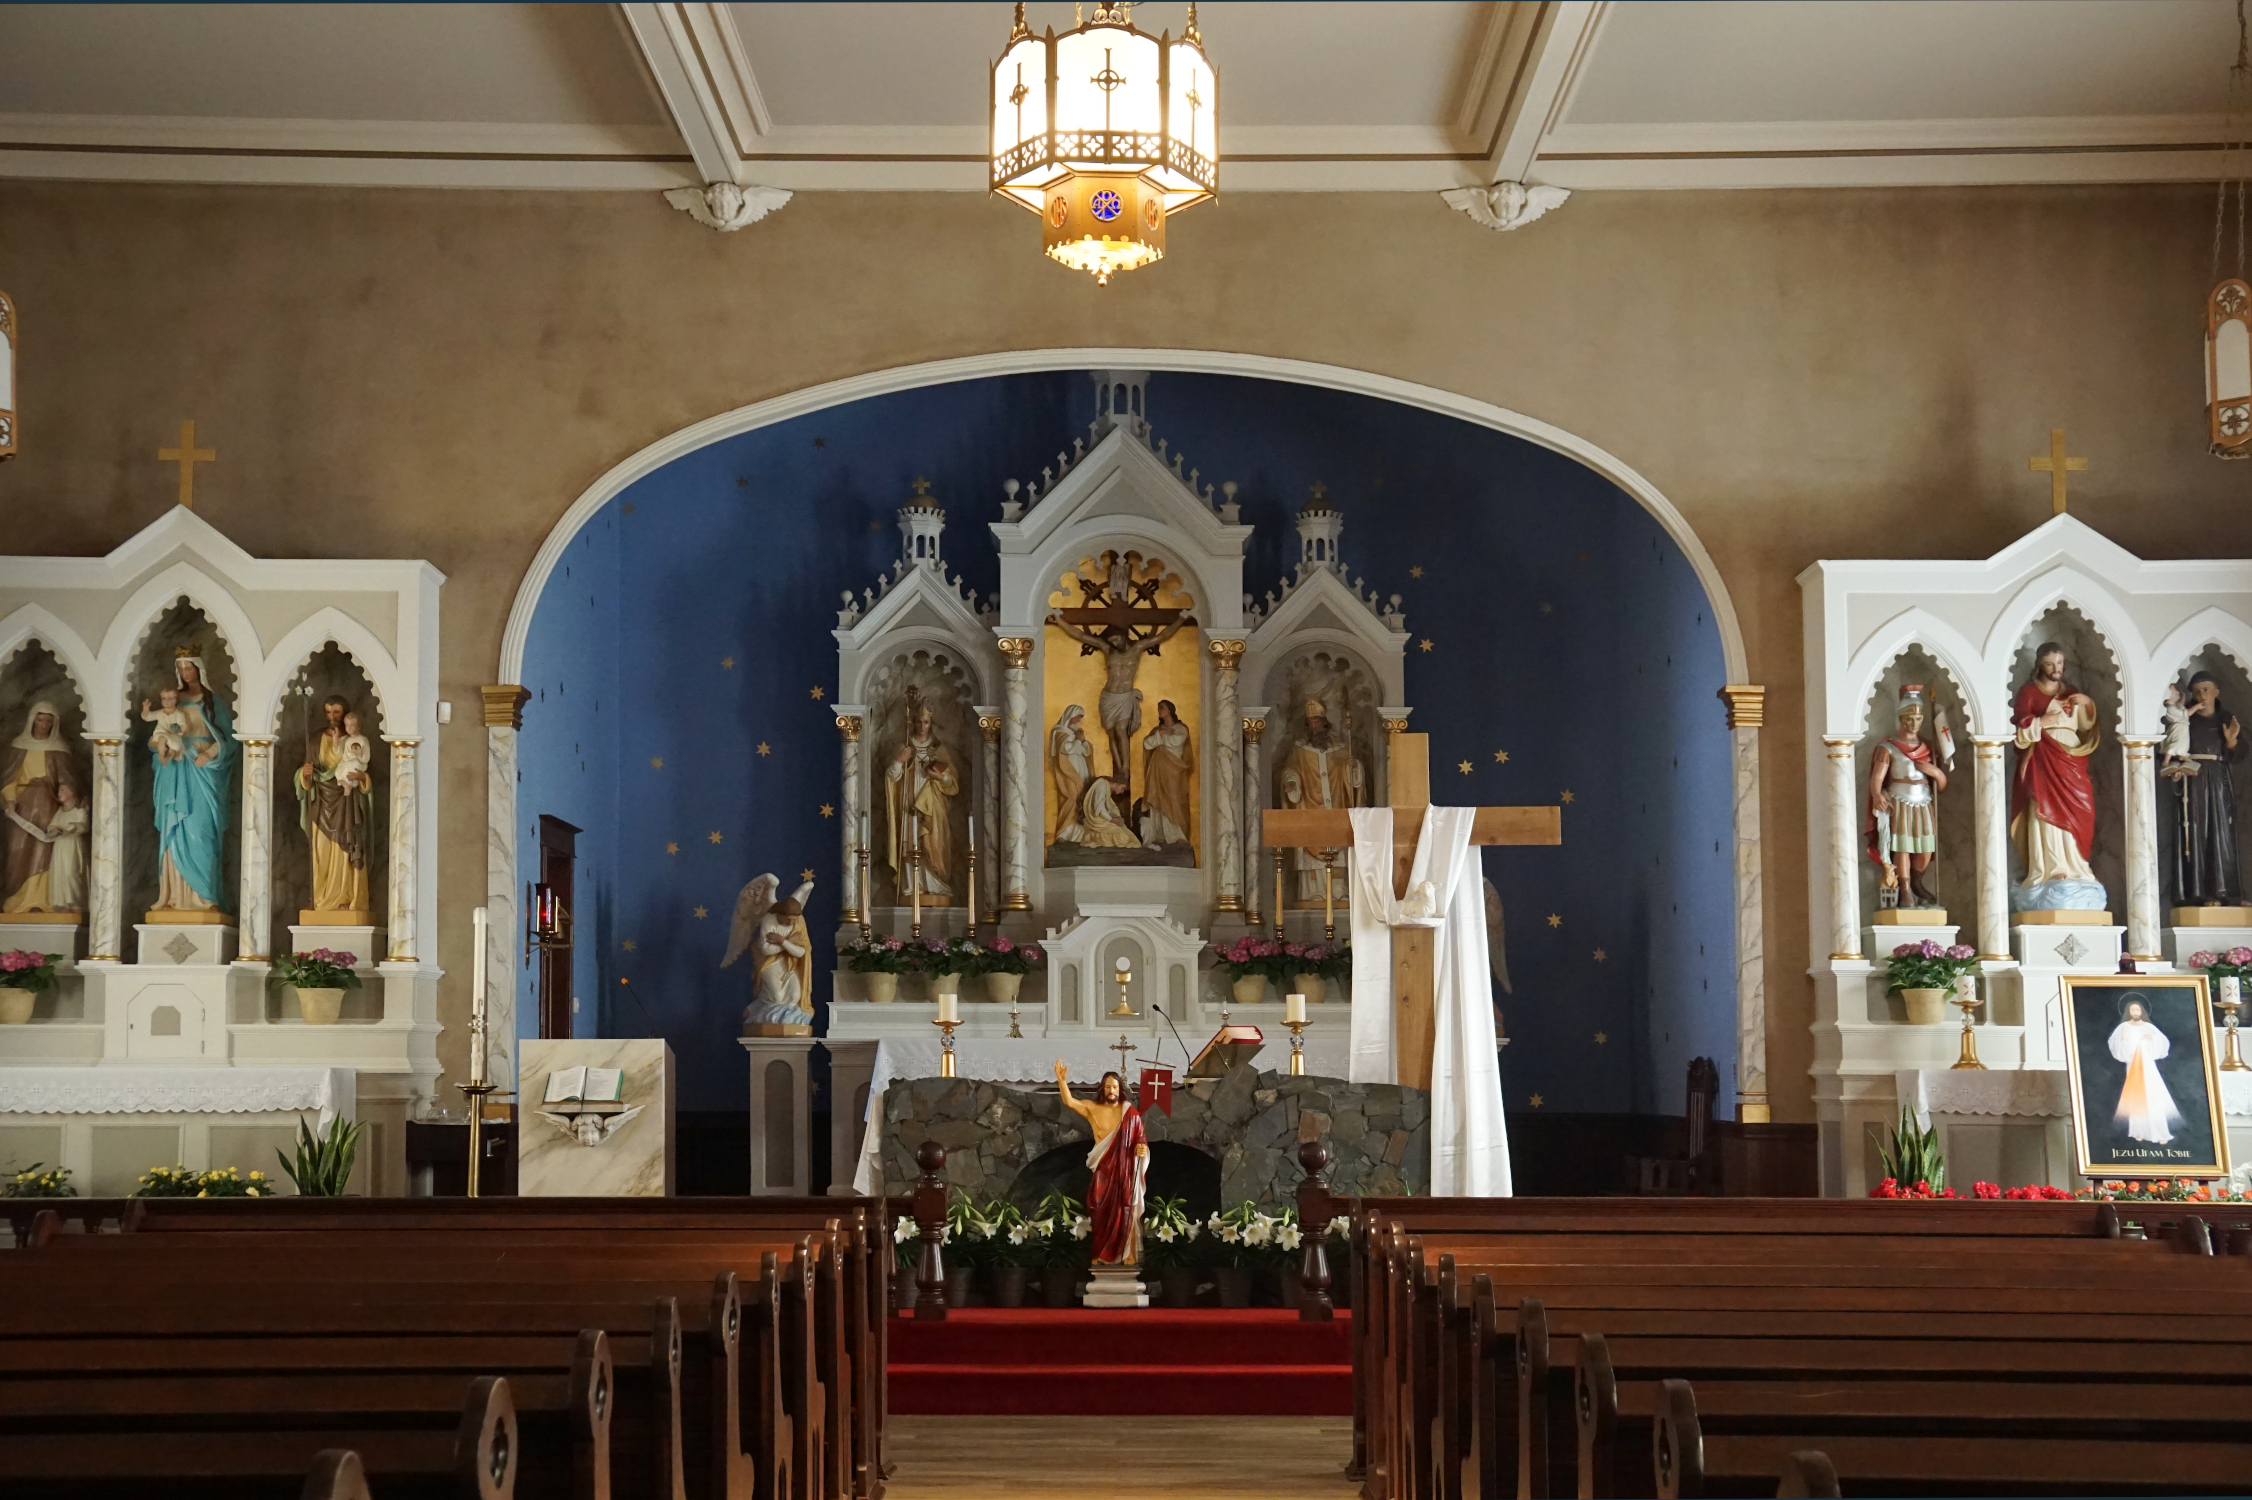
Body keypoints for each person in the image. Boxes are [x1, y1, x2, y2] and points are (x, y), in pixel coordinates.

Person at [2010, 642, 2102, 908]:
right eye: (2050, 664)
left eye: (2060, 663)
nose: (2056, 669)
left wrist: (2088, 705)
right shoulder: (2028, 692)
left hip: (2072, 759)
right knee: (2045, 812)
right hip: (2042, 759)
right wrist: (2041, 723)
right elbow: (2018, 732)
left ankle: (2076, 866)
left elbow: (2086, 725)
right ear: (2040, 664)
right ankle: (2050, 869)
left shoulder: (2071, 693)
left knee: (2081, 810)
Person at [152, 650, 235, 914]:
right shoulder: (172, 703)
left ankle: (205, 897)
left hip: (203, 771)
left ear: (199, 669)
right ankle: (174, 897)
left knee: (201, 832)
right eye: (182, 669)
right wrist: (161, 746)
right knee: (173, 827)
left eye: (190, 668)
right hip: (175, 768)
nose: (186, 674)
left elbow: (230, 740)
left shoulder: (213, 702)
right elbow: (158, 733)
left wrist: (210, 753)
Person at [2162, 672, 2245, 907]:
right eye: (2197, 691)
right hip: (2194, 779)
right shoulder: (2185, 720)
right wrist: (2176, 769)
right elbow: (2171, 745)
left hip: (2219, 779)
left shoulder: (2226, 718)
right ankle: (2198, 894)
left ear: (2217, 691)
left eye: (2207, 689)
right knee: (2196, 835)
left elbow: (2240, 753)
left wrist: (2231, 742)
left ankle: (2227, 893)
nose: (2202, 695)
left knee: (2223, 835)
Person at [1053, 1062, 1148, 1265]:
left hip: (1124, 1171)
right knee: (1098, 1208)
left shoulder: (1130, 1114)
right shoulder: (1092, 1108)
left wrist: (1142, 1149)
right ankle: (1101, 1253)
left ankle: (1128, 1253)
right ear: (1102, 1089)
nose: (1111, 1090)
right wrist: (1062, 1081)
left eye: (1114, 1087)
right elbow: (1069, 1102)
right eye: (1107, 1086)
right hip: (1103, 1170)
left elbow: (1141, 1139)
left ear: (1120, 1089)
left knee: (1125, 1209)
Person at [1866, 684, 1948, 907]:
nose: (1914, 724)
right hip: (1900, 799)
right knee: (1903, 846)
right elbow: (1877, 777)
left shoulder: (1928, 747)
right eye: (1910, 718)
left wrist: (1935, 772)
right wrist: (1876, 794)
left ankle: (1917, 882)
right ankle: (1905, 890)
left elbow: (1941, 785)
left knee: (1925, 848)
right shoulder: (1888, 747)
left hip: (1923, 800)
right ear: (1901, 718)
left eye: (1919, 719)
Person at [0, 701, 83, 914]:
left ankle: (42, 900)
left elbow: (68, 780)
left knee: (44, 851)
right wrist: (10, 799)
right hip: (22, 806)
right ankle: (17, 900)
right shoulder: (19, 745)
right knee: (16, 851)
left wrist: (67, 796)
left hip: (48, 805)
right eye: (40, 719)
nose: (43, 724)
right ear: (32, 719)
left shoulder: (59, 749)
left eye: (48, 720)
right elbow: (9, 779)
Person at [1279, 697, 1364, 902]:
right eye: (1311, 722)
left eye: (1317, 721)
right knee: (1310, 853)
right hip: (1309, 809)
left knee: (1339, 852)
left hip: (1336, 809)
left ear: (1325, 722)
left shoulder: (1342, 748)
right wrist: (1292, 782)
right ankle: (1313, 893)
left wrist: (1352, 769)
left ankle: (1340, 892)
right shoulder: (1299, 750)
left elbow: (1353, 778)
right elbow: (1290, 771)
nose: (1314, 725)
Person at [294, 694, 371, 915]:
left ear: (345, 713)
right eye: (328, 712)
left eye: (336, 712)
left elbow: (365, 770)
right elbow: (305, 775)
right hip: (321, 806)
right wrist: (304, 774)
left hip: (347, 803)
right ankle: (321, 900)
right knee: (322, 853)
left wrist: (363, 779)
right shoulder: (316, 740)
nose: (332, 717)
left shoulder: (355, 740)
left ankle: (346, 899)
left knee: (346, 851)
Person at [886, 693, 958, 900]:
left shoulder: (938, 749)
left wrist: (940, 776)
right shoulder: (904, 747)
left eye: (926, 721)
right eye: (918, 721)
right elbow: (892, 777)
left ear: (931, 723)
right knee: (910, 842)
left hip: (933, 804)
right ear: (913, 722)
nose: (921, 725)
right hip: (910, 802)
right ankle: (912, 884)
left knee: (932, 841)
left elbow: (952, 782)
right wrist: (899, 761)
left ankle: (935, 883)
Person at [2108, 997, 2183, 1145]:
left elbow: (2162, 1042)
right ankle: (2138, 1131)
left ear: (2141, 1011)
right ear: (2128, 1012)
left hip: (2148, 1067)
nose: (2135, 1012)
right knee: (2136, 1097)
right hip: (2133, 1066)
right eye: (2132, 1010)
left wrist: (2152, 1037)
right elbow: (2114, 1044)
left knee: (2153, 1095)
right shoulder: (2123, 1027)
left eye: (2137, 1009)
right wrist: (2122, 1040)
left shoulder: (2148, 1027)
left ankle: (2160, 1133)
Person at [1140, 699, 1194, 848]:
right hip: (1158, 769)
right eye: (1158, 708)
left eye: (1162, 708)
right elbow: (1147, 743)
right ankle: (1160, 833)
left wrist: (1161, 738)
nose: (1159, 711)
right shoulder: (1158, 730)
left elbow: (1177, 741)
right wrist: (1163, 733)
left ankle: (1177, 834)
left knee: (1173, 798)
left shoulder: (1181, 728)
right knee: (1158, 799)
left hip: (1174, 770)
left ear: (1170, 710)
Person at [1049, 704, 1094, 845]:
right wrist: (1078, 741)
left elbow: (1086, 750)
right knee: (1073, 796)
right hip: (1069, 767)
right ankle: (1065, 832)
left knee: (1082, 796)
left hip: (1080, 765)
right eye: (1079, 716)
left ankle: (1079, 832)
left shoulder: (1075, 733)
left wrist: (1083, 742)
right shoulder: (1060, 731)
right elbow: (1064, 749)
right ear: (1071, 714)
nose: (1080, 720)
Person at [42, 782, 86, 913]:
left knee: (71, 873)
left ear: (71, 792)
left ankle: (75, 901)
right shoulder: (60, 812)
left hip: (72, 845)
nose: (59, 793)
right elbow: (52, 826)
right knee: (59, 874)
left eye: (62, 790)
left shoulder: (79, 811)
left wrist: (70, 828)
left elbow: (83, 826)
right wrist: (52, 831)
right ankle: (62, 903)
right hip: (60, 846)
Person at [1077, 776, 1141, 849]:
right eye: (1122, 788)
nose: (1122, 791)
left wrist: (1116, 817)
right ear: (1117, 783)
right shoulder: (1101, 785)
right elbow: (1099, 807)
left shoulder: (1107, 788)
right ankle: (1093, 836)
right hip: (1095, 819)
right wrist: (1112, 820)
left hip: (1102, 818)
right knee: (1123, 837)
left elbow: (1111, 807)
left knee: (1125, 832)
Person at [140, 687, 189, 764]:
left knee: (175, 746)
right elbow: (147, 717)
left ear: (176, 700)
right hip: (160, 734)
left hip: (173, 735)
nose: (167, 701)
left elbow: (183, 725)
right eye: (164, 698)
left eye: (170, 698)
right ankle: (162, 756)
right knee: (162, 739)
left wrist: (177, 729)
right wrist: (145, 708)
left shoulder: (179, 714)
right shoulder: (160, 713)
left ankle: (168, 758)